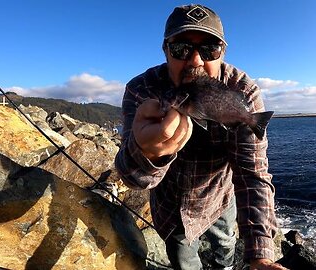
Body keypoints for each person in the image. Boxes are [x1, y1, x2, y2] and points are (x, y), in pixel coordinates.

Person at [115, 4, 285, 270]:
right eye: (181, 48)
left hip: (220, 200)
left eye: (209, 50)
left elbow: (252, 173)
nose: (195, 61)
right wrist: (146, 153)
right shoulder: (142, 89)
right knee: (184, 259)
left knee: (225, 250)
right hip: (170, 209)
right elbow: (131, 179)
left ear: (222, 53)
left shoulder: (242, 91)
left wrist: (261, 255)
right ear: (165, 50)